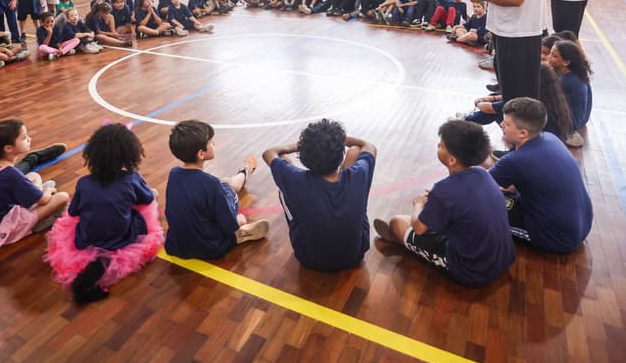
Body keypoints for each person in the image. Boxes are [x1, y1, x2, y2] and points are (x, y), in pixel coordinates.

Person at [373, 119, 514, 287]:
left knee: (397, 223)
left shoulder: (444, 190)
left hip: (473, 271)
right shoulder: (483, 173)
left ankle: (402, 241)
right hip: (504, 258)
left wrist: (418, 204)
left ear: (452, 160)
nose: (438, 147)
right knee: (438, 218)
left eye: (440, 146)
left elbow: (419, 227)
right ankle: (408, 240)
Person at [45, 124, 163, 303]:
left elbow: (73, 211)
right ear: (129, 155)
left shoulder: (83, 183)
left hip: (87, 236)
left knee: (99, 228)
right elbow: (146, 200)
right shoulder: (131, 180)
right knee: (147, 204)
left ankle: (85, 280)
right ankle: (90, 277)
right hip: (120, 236)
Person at [263, 119, 376, 271]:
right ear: (340, 153)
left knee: (283, 168)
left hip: (309, 258)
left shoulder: (296, 180)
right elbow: (369, 147)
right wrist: (340, 139)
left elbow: (269, 153)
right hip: (354, 256)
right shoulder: (358, 174)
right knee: (356, 151)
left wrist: (302, 145)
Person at [488, 98, 593, 253]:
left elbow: (476, 185)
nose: (502, 125)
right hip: (582, 224)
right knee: (500, 194)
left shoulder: (515, 160)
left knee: (482, 209)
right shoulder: (551, 138)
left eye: (506, 124)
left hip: (556, 238)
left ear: (523, 133)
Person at [164, 120, 268, 260]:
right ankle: (243, 173)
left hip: (176, 246)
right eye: (211, 142)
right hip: (212, 247)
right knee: (228, 188)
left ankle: (241, 175)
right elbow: (229, 225)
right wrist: (238, 220)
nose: (214, 144)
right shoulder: (211, 184)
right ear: (201, 154)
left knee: (221, 185)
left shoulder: (174, 174)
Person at [0, 119, 69, 247]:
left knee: (33, 176)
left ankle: (34, 199)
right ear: (8, 148)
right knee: (62, 197)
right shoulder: (11, 174)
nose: (29, 139)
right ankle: (37, 223)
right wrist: (48, 192)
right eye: (24, 138)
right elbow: (43, 200)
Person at [547, 41, 592, 147]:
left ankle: (564, 135)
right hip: (581, 119)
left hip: (571, 124)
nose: (548, 57)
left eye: (554, 55)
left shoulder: (567, 82)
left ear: (566, 62)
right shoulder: (575, 75)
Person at [0, 11, 28, 75]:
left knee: (18, 46)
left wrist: (4, 34)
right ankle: (15, 58)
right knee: (2, 56)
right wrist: (2, 49)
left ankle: (4, 60)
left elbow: (6, 43)